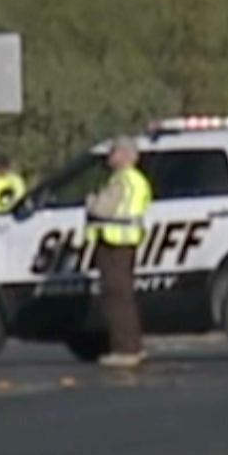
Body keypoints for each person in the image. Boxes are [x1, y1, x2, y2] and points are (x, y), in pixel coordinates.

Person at [85, 137, 152, 367]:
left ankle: (125, 350)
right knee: (124, 297)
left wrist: (91, 201)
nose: (110, 157)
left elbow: (103, 209)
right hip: (126, 244)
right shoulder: (138, 180)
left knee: (116, 298)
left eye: (114, 152)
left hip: (115, 244)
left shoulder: (122, 180)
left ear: (124, 155)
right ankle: (133, 346)